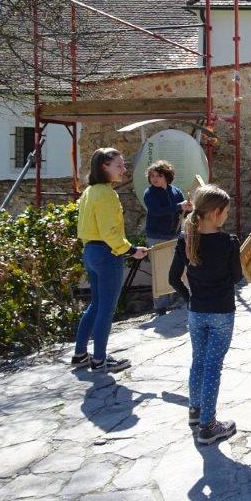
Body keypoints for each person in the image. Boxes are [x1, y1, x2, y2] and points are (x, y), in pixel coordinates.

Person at [168, 184, 243, 446]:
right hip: (222, 312)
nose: (227, 216)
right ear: (216, 213)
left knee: (198, 362)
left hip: (196, 312)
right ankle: (208, 426)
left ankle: (195, 411)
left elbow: (173, 278)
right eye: (226, 212)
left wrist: (189, 299)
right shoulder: (229, 242)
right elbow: (236, 277)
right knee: (213, 367)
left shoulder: (186, 239)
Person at [72, 148, 148, 372]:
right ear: (104, 166)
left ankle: (80, 354)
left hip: (91, 251)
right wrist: (131, 250)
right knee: (106, 309)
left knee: (96, 305)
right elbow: (109, 232)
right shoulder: (106, 194)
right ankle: (99, 360)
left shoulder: (90, 191)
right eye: (119, 165)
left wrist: (127, 249)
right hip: (107, 254)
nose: (123, 169)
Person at [143, 159, 190, 316]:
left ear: (167, 176)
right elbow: (157, 211)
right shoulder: (149, 193)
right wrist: (179, 206)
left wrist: (188, 208)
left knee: (177, 269)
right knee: (160, 271)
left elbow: (182, 212)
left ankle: (179, 299)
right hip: (156, 237)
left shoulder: (175, 191)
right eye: (152, 176)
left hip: (174, 235)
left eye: (159, 175)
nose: (155, 179)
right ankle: (160, 307)